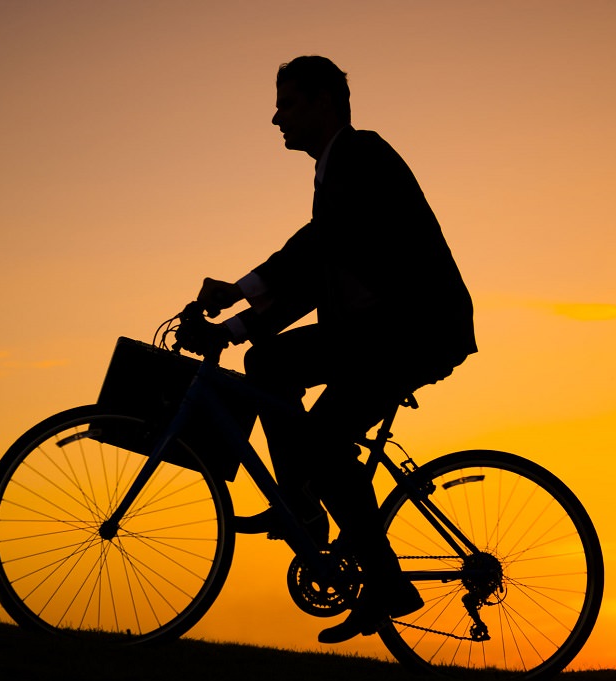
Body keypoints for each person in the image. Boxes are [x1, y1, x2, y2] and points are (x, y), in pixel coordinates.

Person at [196, 56, 477, 644]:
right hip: (376, 333)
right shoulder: (334, 172)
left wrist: (239, 290)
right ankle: (299, 504)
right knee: (267, 363)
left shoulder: (359, 155)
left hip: (414, 330)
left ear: (325, 102)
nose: (276, 117)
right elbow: (309, 281)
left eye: (288, 103)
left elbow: (315, 246)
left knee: (322, 442)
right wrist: (234, 330)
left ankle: (383, 581)